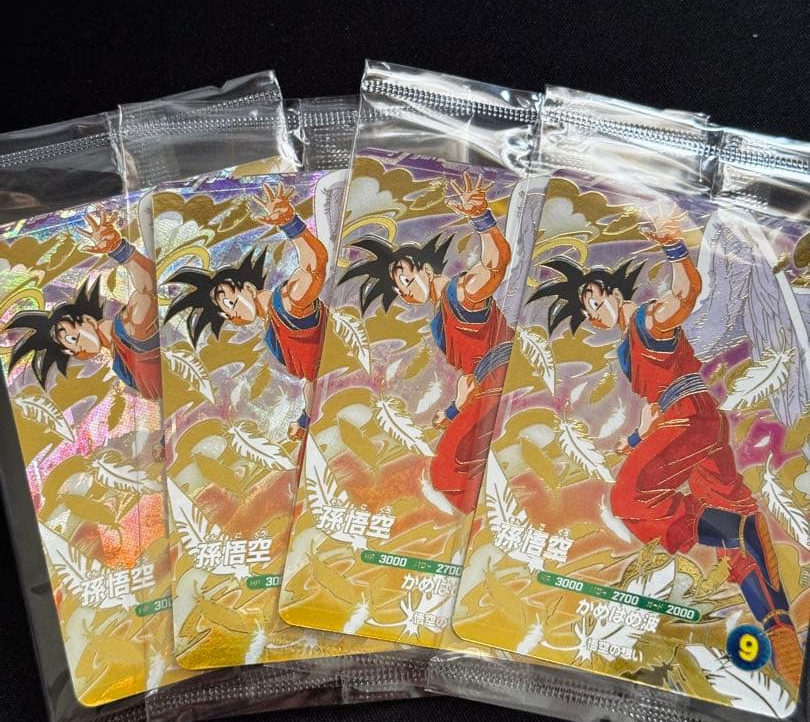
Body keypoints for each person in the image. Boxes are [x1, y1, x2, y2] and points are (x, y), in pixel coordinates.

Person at [534, 208, 803, 689]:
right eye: (586, 311)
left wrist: (674, 247)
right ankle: (780, 633)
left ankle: (735, 531)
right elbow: (657, 400)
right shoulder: (630, 344)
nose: (592, 314)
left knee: (629, 499)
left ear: (612, 293)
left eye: (593, 300)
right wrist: (638, 439)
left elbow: (685, 294)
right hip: (696, 424)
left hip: (691, 420)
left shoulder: (648, 319)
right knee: (736, 522)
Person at [341, 173, 513, 513]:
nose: (404, 291)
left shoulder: (462, 292)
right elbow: (468, 379)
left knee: (448, 471)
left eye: (406, 279)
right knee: (455, 474)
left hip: (501, 383)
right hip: (484, 388)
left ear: (425, 269)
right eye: (398, 288)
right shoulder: (442, 312)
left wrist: (482, 217)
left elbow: (495, 266)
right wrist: (453, 410)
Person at [166, 183, 328, 439]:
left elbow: (314, 266)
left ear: (249, 288)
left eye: (230, 301)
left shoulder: (287, 301)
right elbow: (311, 378)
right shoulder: (272, 324)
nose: (231, 314)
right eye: (226, 312)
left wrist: (290, 224)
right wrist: (305, 419)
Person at [8, 208, 161, 399]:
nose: (75, 351)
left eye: (72, 338)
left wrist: (119, 249)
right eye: (69, 348)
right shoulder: (118, 359)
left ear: (88, 320)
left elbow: (147, 289)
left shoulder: (130, 328)